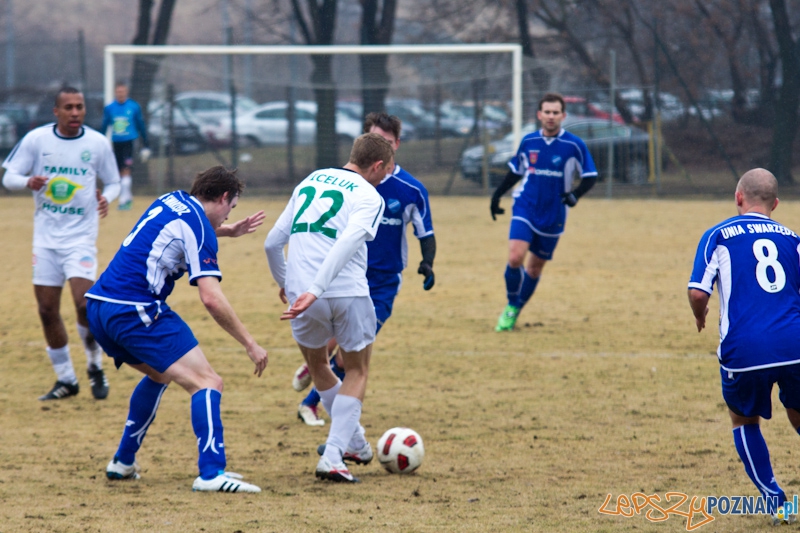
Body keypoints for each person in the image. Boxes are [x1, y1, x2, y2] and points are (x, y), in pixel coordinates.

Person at [86, 166, 268, 493]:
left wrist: (228, 232)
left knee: (159, 374)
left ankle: (123, 461)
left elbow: (180, 231)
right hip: (134, 310)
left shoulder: (172, 199)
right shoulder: (200, 227)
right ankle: (211, 474)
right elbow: (211, 298)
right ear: (224, 197)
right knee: (208, 382)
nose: (229, 215)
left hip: (99, 306)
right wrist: (250, 343)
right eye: (232, 208)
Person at [292, 112, 436, 426]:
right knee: (337, 346)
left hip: (382, 283)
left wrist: (428, 263)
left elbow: (426, 232)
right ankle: (318, 366)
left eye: (385, 142)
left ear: (396, 145)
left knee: (348, 356)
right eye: (373, 140)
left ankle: (311, 401)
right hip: (345, 277)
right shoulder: (351, 186)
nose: (378, 148)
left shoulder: (410, 190)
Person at [264, 133, 392, 482]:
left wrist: (290, 285)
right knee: (358, 371)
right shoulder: (369, 194)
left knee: (318, 364)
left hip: (302, 297)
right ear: (377, 166)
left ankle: (355, 443)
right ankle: (333, 456)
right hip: (346, 292)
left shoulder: (311, 180)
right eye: (387, 170)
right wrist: (318, 288)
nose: (386, 177)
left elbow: (272, 242)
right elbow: (349, 241)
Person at [688, 168, 800, 525]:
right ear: (776, 204)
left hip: (745, 349)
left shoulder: (718, 235)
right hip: (795, 343)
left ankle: (777, 502)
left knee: (743, 419)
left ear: (738, 198)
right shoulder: (792, 238)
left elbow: (697, 291)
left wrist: (701, 314)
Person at [2, 86, 121, 401]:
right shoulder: (37, 140)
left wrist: (106, 198)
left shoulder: (97, 143)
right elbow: (8, 176)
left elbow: (114, 181)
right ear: (56, 111)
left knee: (85, 304)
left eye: (79, 107)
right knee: (46, 309)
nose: (75, 113)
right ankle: (66, 379)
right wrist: (27, 181)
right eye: (68, 107)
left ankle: (95, 365)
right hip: (45, 240)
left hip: (80, 238)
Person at [490, 92, 597, 331]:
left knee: (535, 267)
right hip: (525, 206)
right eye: (546, 112)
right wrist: (497, 195)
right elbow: (515, 172)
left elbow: (591, 176)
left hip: (554, 214)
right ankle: (510, 305)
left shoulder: (574, 145)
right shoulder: (529, 142)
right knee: (515, 257)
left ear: (563, 115)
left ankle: (516, 309)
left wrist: (575, 195)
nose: (551, 116)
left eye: (555, 112)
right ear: (539, 115)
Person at [101, 81, 149, 211]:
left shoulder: (133, 107)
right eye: (118, 92)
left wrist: (146, 144)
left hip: (129, 142)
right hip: (116, 143)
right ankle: (128, 198)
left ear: (126, 92)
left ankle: (123, 200)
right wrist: (100, 141)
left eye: (122, 92)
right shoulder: (110, 108)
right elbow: (105, 126)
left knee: (126, 169)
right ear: (115, 93)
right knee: (118, 172)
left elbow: (140, 125)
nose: (120, 94)